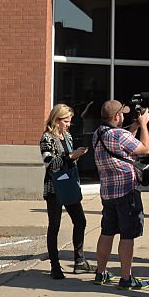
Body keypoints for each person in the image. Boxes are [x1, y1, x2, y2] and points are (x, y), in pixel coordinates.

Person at [91, 99, 149, 290]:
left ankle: (100, 272)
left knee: (107, 231)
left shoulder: (98, 134)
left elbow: (122, 145)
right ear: (116, 117)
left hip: (108, 192)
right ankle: (126, 278)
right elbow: (144, 148)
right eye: (122, 114)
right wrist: (143, 125)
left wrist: (132, 126)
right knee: (127, 235)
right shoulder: (119, 135)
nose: (124, 116)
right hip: (127, 191)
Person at [40, 103, 92, 278]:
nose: (68, 124)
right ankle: (55, 265)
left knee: (80, 220)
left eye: (70, 121)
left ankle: (79, 260)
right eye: (66, 121)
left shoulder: (68, 136)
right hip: (54, 187)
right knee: (54, 225)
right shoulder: (47, 138)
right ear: (57, 119)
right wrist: (70, 156)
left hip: (69, 184)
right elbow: (50, 164)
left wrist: (76, 156)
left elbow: (70, 162)